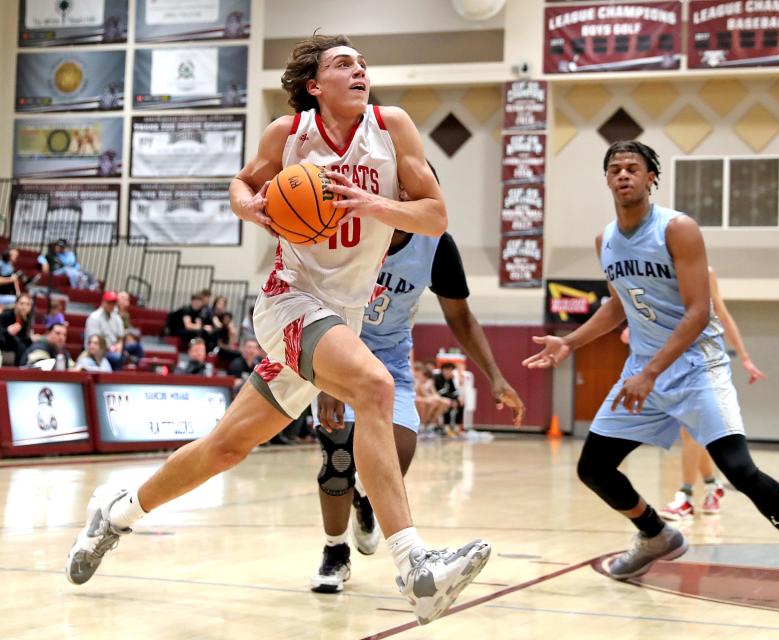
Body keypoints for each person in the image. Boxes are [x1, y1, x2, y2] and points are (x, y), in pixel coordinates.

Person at [66, 33, 490, 627]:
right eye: (345, 64)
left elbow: (436, 215)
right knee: (375, 387)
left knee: (226, 447)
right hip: (287, 301)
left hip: (341, 316)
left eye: (363, 63)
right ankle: (416, 568)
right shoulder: (288, 135)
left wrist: (372, 206)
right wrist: (250, 207)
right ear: (315, 86)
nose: (360, 70)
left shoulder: (392, 127)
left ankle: (115, 515)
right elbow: (242, 185)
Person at [523, 140, 779, 615]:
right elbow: (619, 304)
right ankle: (656, 534)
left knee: (739, 470)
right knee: (594, 468)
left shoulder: (678, 229)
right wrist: (570, 342)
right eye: (614, 169)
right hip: (643, 370)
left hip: (697, 367)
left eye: (632, 168)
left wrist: (653, 370)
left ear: (652, 177)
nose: (622, 176)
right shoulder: (606, 241)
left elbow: (700, 312)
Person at [310, 201, 525, 593]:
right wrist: (326, 381)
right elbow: (321, 301)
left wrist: (495, 376)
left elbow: (460, 317)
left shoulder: (436, 245)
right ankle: (335, 552)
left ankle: (368, 502)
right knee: (338, 457)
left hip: (390, 364)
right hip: (337, 354)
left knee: (398, 454)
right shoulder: (353, 228)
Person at [617, 268, 767, 520]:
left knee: (692, 435)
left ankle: (685, 496)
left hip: (699, 364)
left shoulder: (703, 273)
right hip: (669, 364)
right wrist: (635, 328)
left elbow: (721, 312)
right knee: (692, 435)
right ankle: (712, 484)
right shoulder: (652, 268)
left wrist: (745, 357)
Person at [84, 291, 124, 370]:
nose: (111, 305)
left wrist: (119, 346)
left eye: (113, 303)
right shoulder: (94, 317)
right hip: (99, 350)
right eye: (109, 303)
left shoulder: (116, 317)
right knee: (116, 358)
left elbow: (120, 337)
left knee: (135, 349)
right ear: (103, 302)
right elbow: (94, 341)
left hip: (113, 349)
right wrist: (110, 348)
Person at [1, 293, 38, 366]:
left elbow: (22, 339)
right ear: (16, 304)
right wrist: (7, 331)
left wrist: (30, 339)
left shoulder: (26, 320)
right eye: (22, 303)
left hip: (15, 346)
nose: (24, 307)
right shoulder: (6, 315)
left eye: (28, 304)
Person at [433, 362, 462, 431]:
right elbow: (441, 392)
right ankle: (446, 426)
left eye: (451, 371)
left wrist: (458, 398)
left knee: (461, 403)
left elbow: (454, 391)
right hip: (438, 397)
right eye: (448, 370)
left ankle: (457, 426)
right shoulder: (437, 377)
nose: (450, 372)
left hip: (447, 398)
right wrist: (453, 399)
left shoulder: (449, 379)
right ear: (443, 370)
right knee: (449, 402)